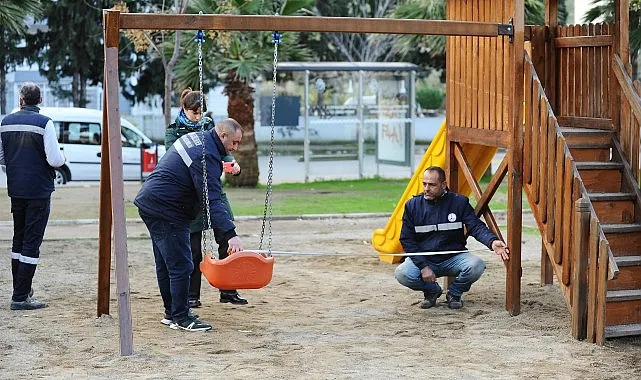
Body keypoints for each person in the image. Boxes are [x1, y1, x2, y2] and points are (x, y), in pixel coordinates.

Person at [134, 117, 244, 332]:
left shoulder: (199, 140)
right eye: (234, 142)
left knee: (166, 263)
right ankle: (182, 317)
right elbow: (211, 198)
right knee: (182, 265)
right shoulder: (207, 155)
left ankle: (172, 313)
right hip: (167, 208)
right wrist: (231, 233)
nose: (235, 148)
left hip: (151, 201)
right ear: (222, 136)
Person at [165, 91, 247, 308]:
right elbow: (174, 157)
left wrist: (231, 163)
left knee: (226, 234)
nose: (198, 117)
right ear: (184, 109)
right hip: (191, 193)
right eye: (194, 113)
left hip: (212, 189)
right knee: (192, 247)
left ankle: (228, 289)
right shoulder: (174, 132)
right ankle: (193, 295)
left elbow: (224, 151)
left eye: (201, 113)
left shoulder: (212, 126)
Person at [395, 166, 510, 310]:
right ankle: (432, 291)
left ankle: (454, 293)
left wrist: (492, 241)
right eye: (424, 184)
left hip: (454, 257)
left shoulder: (459, 202)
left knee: (477, 265)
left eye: (432, 185)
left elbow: (475, 226)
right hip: (426, 260)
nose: (426, 188)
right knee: (402, 274)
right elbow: (407, 240)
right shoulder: (412, 206)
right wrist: (423, 266)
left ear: (443, 185)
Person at [0, 82, 66, 310]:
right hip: (38, 190)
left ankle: (21, 290)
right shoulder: (44, 123)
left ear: (20, 100)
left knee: (18, 240)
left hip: (16, 189)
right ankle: (20, 297)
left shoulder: (5, 122)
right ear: (40, 100)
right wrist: (64, 159)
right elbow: (55, 160)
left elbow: (1, 157)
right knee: (31, 243)